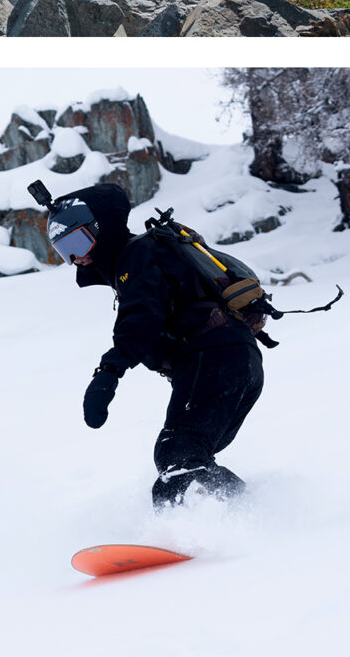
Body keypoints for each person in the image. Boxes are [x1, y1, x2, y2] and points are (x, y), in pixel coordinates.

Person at [52, 181, 263, 507]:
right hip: (235, 359)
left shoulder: (138, 256)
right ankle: (253, 509)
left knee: (177, 451)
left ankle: (172, 531)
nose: (76, 258)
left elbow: (141, 320)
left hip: (215, 355)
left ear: (103, 229)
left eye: (79, 242)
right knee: (189, 453)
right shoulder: (140, 260)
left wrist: (109, 371)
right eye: (65, 251)